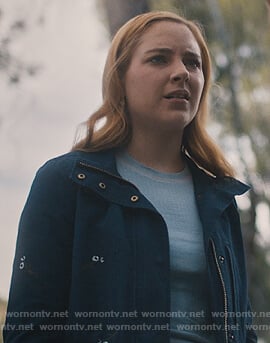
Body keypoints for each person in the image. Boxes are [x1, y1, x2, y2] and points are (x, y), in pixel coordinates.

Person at [4, 10, 257, 343]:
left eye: (193, 63)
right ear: (119, 79)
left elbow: (242, 331)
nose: (181, 72)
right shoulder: (67, 182)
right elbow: (29, 331)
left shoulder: (220, 199)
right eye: (159, 59)